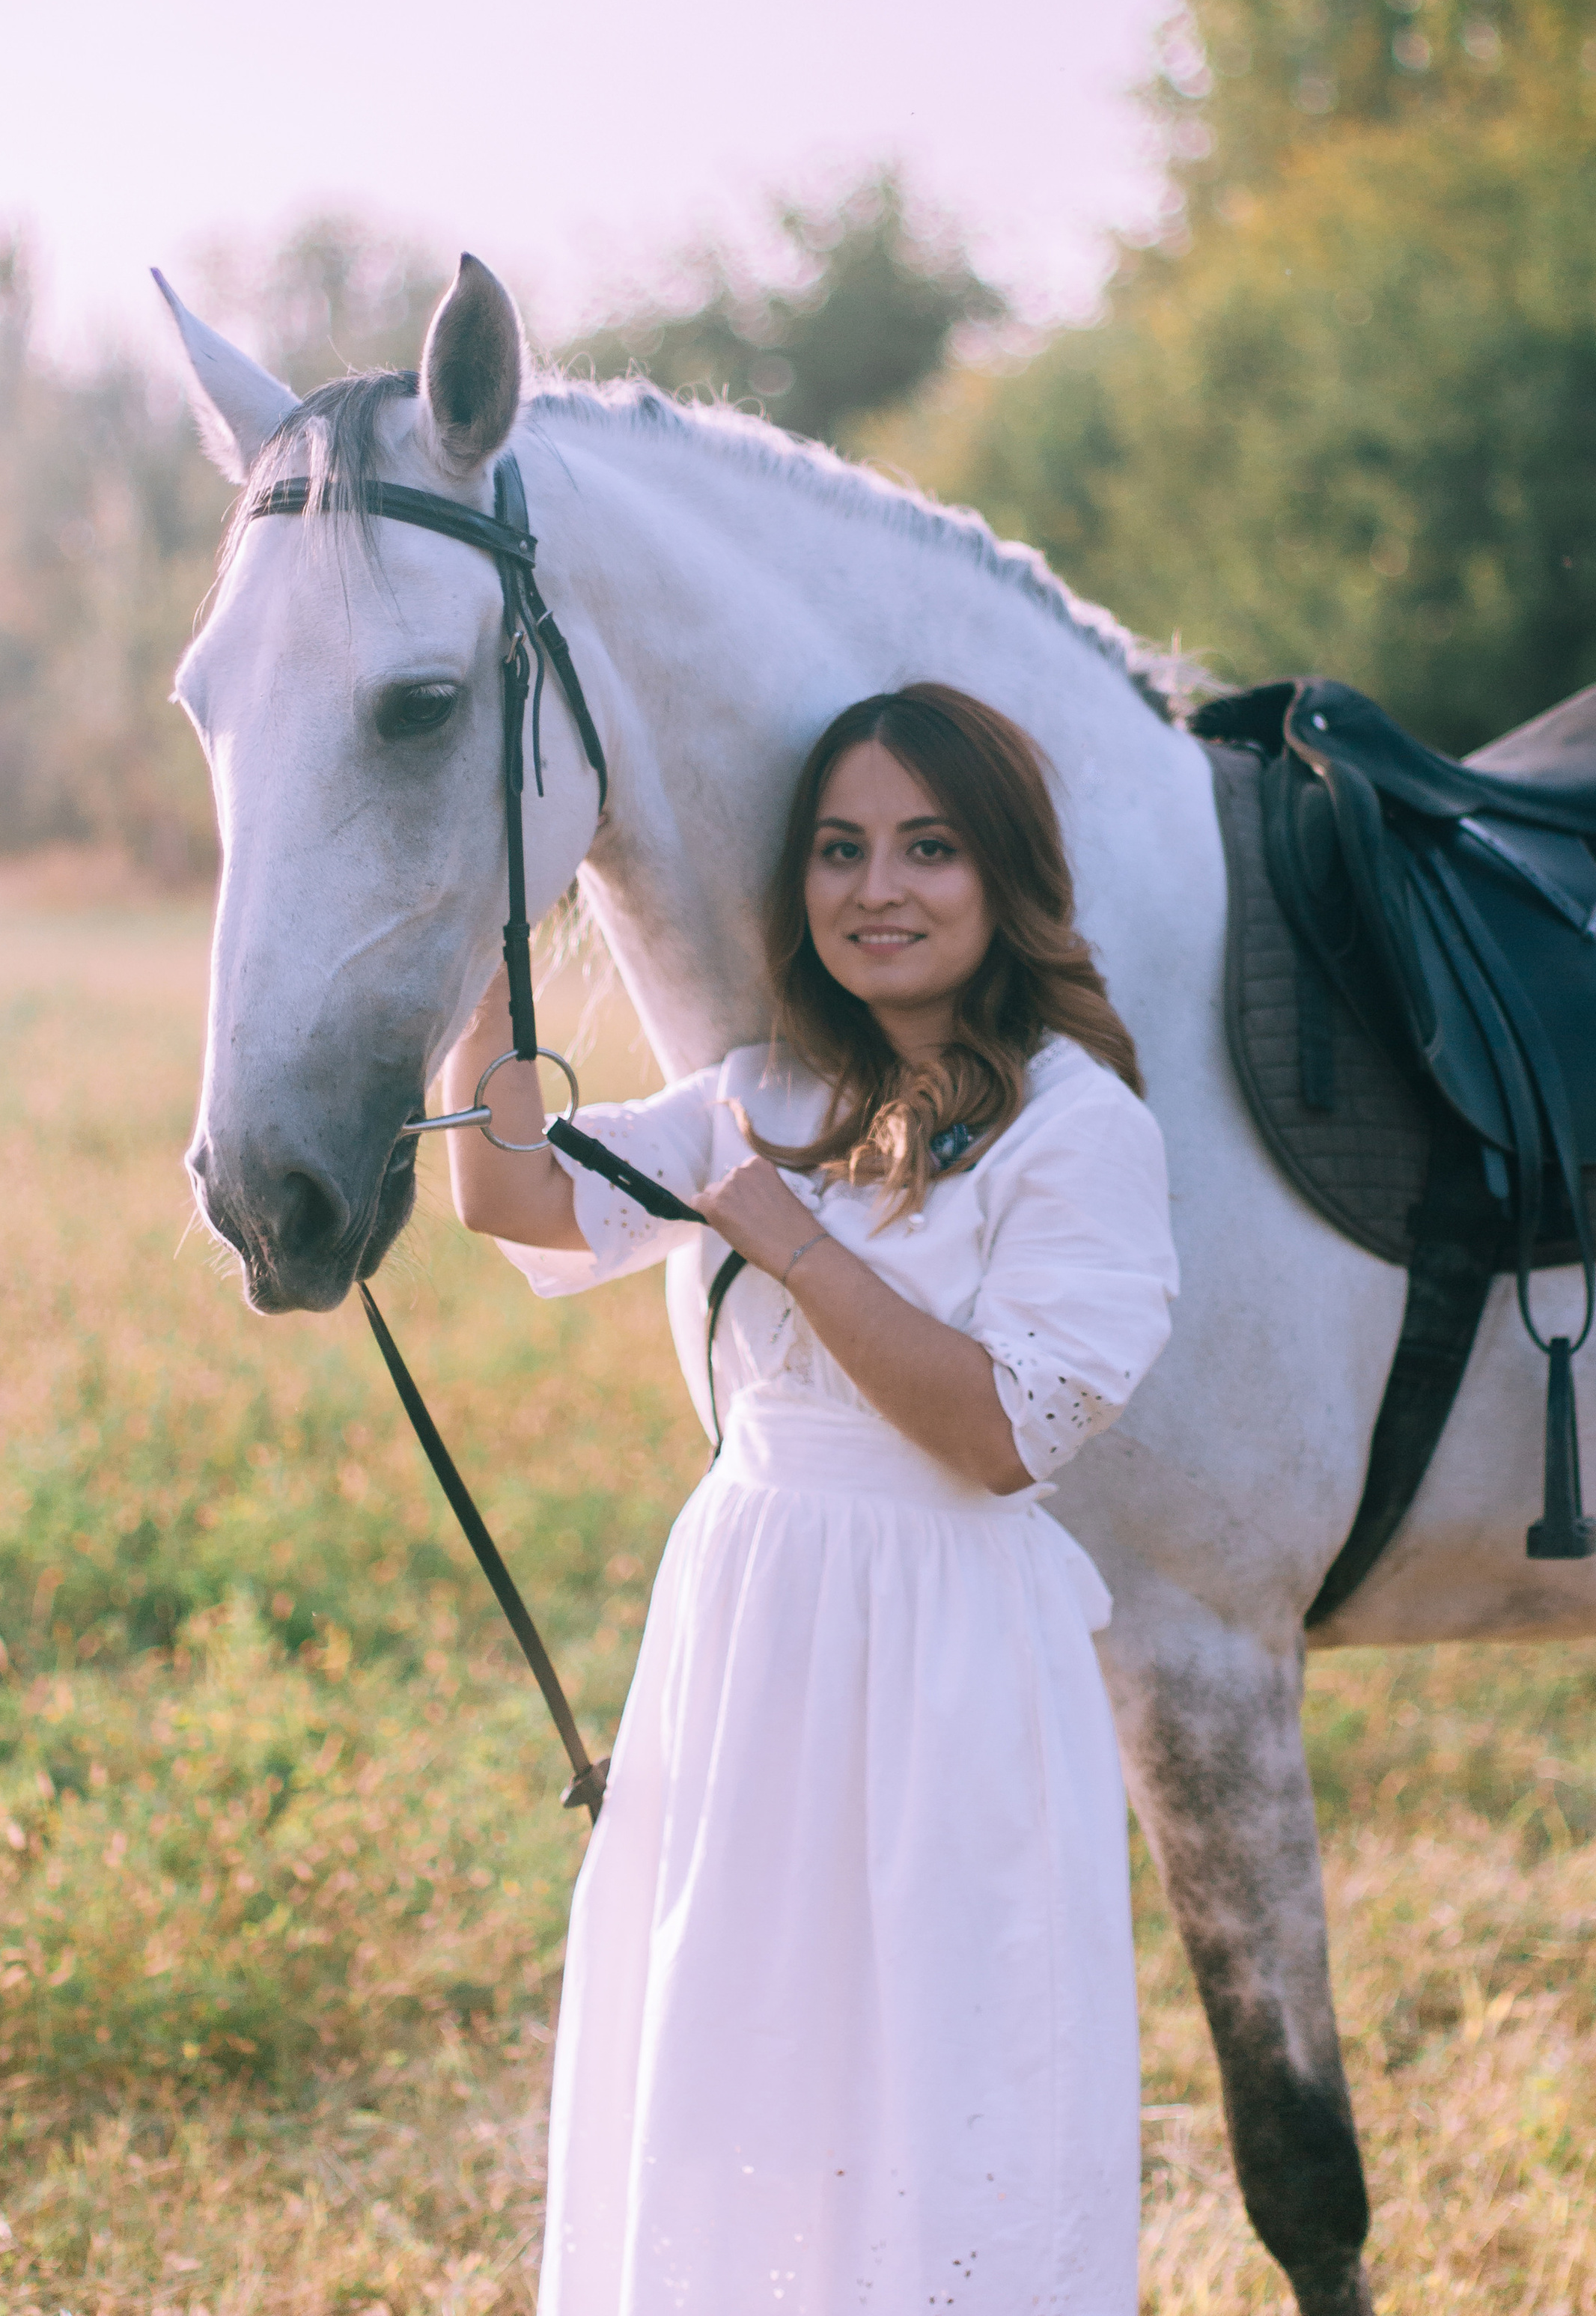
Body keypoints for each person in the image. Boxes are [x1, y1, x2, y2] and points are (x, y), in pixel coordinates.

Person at [443, 681, 1178, 2316]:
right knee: (733, 2043)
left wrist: (779, 1236)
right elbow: (506, 1190)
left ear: (1002, 879)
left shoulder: (1076, 1128)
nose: (877, 888)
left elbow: (1000, 1433)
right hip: (753, 1620)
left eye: (927, 847)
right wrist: (496, 955)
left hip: (948, 1651)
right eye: (839, 850)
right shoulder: (747, 1097)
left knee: (937, 2069)